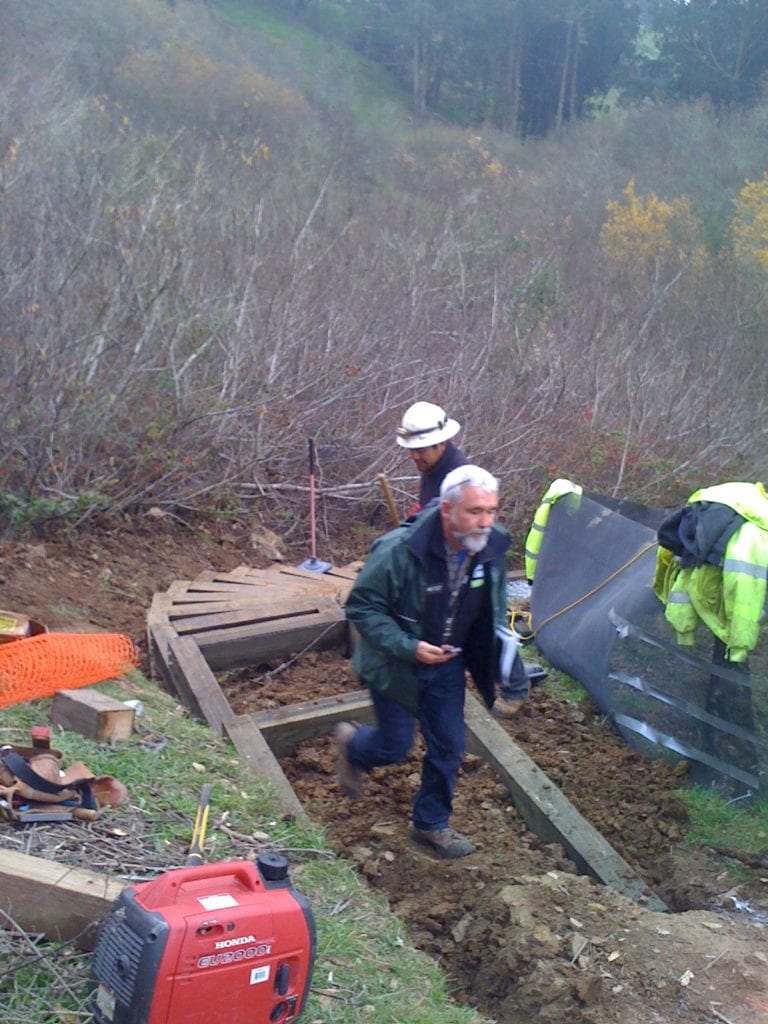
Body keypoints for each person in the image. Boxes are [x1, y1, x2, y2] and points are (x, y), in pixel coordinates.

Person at [335, 465, 520, 859]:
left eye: (491, 511)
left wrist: (504, 667)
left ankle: (430, 823)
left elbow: (495, 608)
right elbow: (362, 608)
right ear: (447, 509)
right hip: (395, 661)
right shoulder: (399, 550)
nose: (485, 521)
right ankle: (354, 745)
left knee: (450, 745)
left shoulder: (491, 545)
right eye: (475, 512)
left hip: (447, 661)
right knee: (394, 745)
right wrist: (407, 646)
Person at [396, 401, 468, 514]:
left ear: (442, 444)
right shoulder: (432, 465)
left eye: (421, 450)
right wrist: (416, 517)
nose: (414, 456)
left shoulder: (461, 482)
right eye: (411, 449)